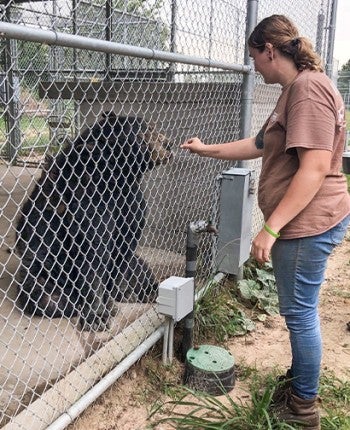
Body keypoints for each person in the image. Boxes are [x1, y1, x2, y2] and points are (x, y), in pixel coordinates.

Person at [180, 14, 350, 430]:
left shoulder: (307, 91)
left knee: (300, 314)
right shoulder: (292, 88)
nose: (253, 66)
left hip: (307, 223)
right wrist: (207, 150)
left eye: (254, 57)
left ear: (270, 50)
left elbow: (313, 168)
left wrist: (269, 228)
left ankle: (303, 408)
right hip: (306, 220)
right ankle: (299, 385)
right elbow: (259, 144)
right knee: (299, 311)